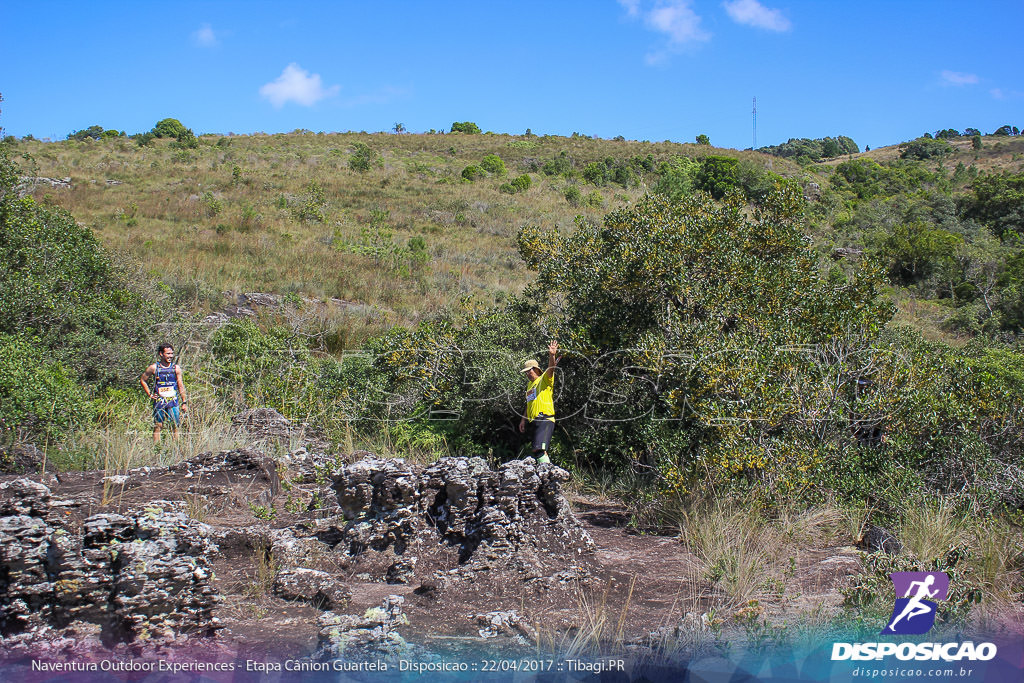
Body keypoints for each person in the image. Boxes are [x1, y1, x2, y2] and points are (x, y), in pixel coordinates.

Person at [518, 340, 559, 464]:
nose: (527, 374)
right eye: (525, 373)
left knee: (539, 449)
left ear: (536, 369)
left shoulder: (544, 379)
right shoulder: (530, 385)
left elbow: (551, 368)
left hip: (545, 418)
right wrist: (523, 420)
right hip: (534, 420)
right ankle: (546, 474)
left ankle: (548, 472)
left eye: (529, 371)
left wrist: (552, 355)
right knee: (538, 450)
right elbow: (529, 403)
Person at [140, 343, 188, 444]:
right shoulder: (154, 368)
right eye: (168, 353)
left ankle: (176, 448)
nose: (170, 356)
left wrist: (184, 402)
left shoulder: (176, 368)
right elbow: (143, 380)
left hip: (173, 401)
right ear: (161, 354)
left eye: (172, 353)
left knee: (175, 426)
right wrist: (150, 394)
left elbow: (180, 385)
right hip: (159, 401)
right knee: (158, 425)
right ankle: (157, 449)